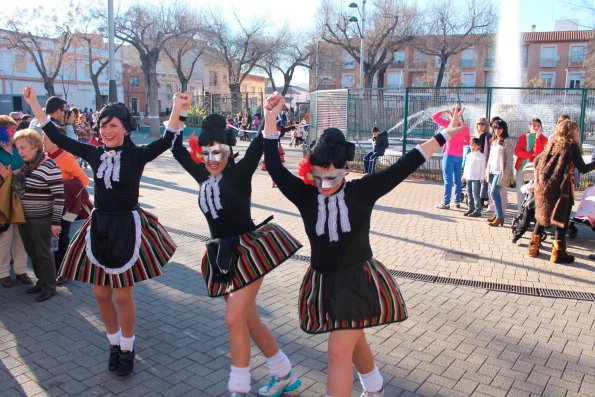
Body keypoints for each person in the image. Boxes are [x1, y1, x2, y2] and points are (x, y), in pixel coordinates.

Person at [262, 91, 466, 397]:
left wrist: (446, 133)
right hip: (323, 283)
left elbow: (405, 164)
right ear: (311, 170)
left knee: (337, 351)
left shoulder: (362, 191)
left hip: (357, 282)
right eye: (319, 176)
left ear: (346, 169)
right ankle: (375, 387)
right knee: (354, 342)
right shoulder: (304, 195)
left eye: (334, 175)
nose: (326, 183)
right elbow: (276, 168)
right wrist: (270, 117)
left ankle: (371, 388)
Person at [22, 85, 180, 376]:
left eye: (114, 125)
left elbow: (167, 140)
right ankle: (113, 343)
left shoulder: (137, 154)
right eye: (104, 125)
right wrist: (34, 103)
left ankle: (128, 347)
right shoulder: (95, 153)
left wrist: (179, 108)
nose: (107, 131)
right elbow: (56, 136)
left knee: (122, 295)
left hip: (126, 227)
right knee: (99, 293)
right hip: (99, 226)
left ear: (126, 129)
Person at [170, 97, 302, 397]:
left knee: (233, 319)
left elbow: (262, 140)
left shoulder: (240, 172)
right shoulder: (203, 174)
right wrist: (180, 110)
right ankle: (283, 373)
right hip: (221, 255)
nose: (212, 158)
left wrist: (270, 114)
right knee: (248, 318)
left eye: (218, 152)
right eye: (206, 153)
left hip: (249, 252)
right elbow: (175, 146)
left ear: (229, 150)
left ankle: (238, 390)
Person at [0, 129, 64, 302]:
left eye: (24, 148)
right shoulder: (24, 167)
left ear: (36, 147)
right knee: (32, 252)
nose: (20, 152)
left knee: (44, 253)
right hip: (24, 219)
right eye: (18, 148)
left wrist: (56, 222)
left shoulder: (49, 165)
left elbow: (59, 195)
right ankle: (41, 282)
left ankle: (50, 287)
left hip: (42, 219)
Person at [528, 120, 595, 263]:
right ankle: (558, 253)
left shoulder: (553, 143)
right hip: (562, 188)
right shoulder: (572, 146)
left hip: (545, 186)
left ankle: (533, 248)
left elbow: (537, 161)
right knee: (561, 220)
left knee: (542, 216)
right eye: (577, 130)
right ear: (570, 131)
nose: (579, 132)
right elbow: (582, 168)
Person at [43, 132, 91, 285]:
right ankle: (53, 269)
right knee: (52, 237)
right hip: (51, 205)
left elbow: (84, 180)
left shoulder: (65, 157)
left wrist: (62, 189)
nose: (42, 140)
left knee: (62, 237)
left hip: (69, 206)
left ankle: (64, 271)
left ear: (56, 141)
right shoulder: (44, 156)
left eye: (46, 138)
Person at [0, 115, 31, 288]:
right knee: (4, 237)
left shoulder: (19, 148)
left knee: (21, 236)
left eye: (15, 129)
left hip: (21, 197)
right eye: (10, 130)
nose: (14, 134)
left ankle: (21, 270)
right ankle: (3, 272)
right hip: (3, 200)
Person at [432, 109, 470, 209]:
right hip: (459, 156)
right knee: (457, 179)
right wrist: (459, 143)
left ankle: (445, 203)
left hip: (449, 155)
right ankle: (456, 201)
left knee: (448, 179)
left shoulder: (449, 125)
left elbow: (434, 117)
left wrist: (444, 111)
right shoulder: (465, 126)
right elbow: (468, 141)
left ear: (453, 115)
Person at [514, 118, 548, 215]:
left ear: (541, 127)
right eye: (534, 125)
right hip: (522, 168)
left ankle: (530, 216)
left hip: (534, 170)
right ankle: (520, 213)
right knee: (520, 191)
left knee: (532, 193)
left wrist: (537, 139)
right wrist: (530, 155)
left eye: (538, 125)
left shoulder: (544, 139)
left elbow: (538, 153)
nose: (536, 127)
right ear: (530, 126)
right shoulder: (523, 137)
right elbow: (518, 152)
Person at [485, 119, 514, 227]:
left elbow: (510, 160)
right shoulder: (493, 140)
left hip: (500, 172)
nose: (496, 130)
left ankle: (500, 216)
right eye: (495, 127)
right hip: (492, 170)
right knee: (493, 194)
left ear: (504, 129)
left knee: (494, 193)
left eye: (499, 128)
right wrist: (487, 169)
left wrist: (506, 175)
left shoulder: (507, 141)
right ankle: (497, 214)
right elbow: (491, 157)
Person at [462, 137, 486, 217]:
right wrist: (464, 176)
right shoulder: (468, 155)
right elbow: (466, 167)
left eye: (474, 145)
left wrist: (482, 178)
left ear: (479, 146)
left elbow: (483, 168)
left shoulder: (481, 156)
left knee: (475, 194)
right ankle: (470, 208)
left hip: (476, 178)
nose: (472, 147)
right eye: (471, 145)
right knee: (469, 194)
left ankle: (478, 210)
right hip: (469, 177)